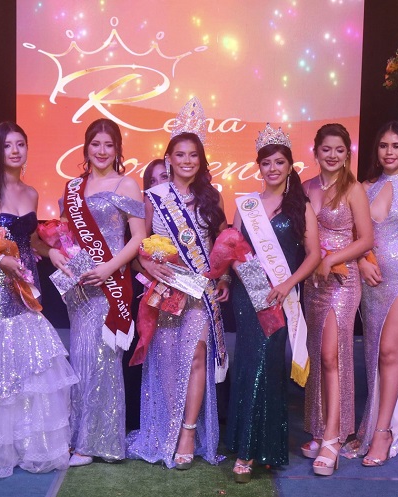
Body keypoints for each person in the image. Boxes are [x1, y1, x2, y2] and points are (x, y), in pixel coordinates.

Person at [0, 122, 77, 478]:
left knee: (33, 357)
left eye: (21, 144)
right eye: (8, 145)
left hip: (27, 280)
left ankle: (29, 442)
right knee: (4, 352)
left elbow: (31, 241)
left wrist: (52, 252)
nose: (16, 151)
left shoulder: (32, 193)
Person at [128, 98, 230, 469]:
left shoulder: (211, 197)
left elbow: (223, 244)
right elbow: (138, 247)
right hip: (165, 291)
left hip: (200, 293)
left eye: (193, 155)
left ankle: (187, 433)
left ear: (201, 160)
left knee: (197, 355)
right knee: (168, 360)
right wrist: (146, 265)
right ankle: (166, 429)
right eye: (180, 154)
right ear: (168, 158)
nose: (187, 161)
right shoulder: (153, 198)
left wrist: (224, 276)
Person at [36, 118, 145, 466]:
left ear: (118, 149)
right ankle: (82, 436)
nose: (101, 151)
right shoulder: (72, 187)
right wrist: (55, 253)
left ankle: (99, 442)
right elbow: (64, 235)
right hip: (80, 286)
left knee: (104, 360)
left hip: (110, 283)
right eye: (95, 144)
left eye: (109, 145)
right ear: (86, 147)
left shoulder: (128, 184)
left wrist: (109, 268)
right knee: (82, 357)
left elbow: (139, 238)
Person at [225, 125, 321, 482]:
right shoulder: (246, 206)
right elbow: (234, 250)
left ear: (289, 165)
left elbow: (313, 255)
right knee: (248, 364)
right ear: (259, 167)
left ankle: (256, 449)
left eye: (279, 162)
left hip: (279, 296)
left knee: (268, 366)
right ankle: (250, 445)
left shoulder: (300, 207)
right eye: (266, 163)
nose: (273, 169)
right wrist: (230, 275)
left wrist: (287, 284)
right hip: (247, 296)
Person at [340, 121, 398, 466]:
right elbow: (352, 234)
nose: (389, 152)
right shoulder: (362, 188)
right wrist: (361, 261)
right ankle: (372, 424)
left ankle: (383, 433)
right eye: (383, 145)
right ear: (376, 150)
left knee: (390, 352)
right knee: (372, 354)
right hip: (371, 281)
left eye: (396, 145)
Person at [302, 123, 373, 476]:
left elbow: (367, 239)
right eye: (326, 149)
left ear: (348, 154)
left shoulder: (353, 189)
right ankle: (319, 427)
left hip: (342, 281)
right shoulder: (305, 187)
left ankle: (334, 435)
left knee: (332, 354)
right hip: (313, 283)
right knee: (317, 354)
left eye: (339, 150)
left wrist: (331, 259)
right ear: (315, 151)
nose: (332, 155)